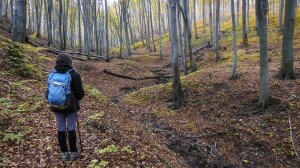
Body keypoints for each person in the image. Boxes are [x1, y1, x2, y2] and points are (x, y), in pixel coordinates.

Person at [46, 53, 84, 161]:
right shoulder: (74, 74)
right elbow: (80, 93)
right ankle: (73, 153)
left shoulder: (52, 73)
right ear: (69, 61)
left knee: (60, 127)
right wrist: (74, 98)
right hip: (70, 106)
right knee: (71, 127)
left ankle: (64, 154)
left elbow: (47, 93)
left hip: (56, 105)